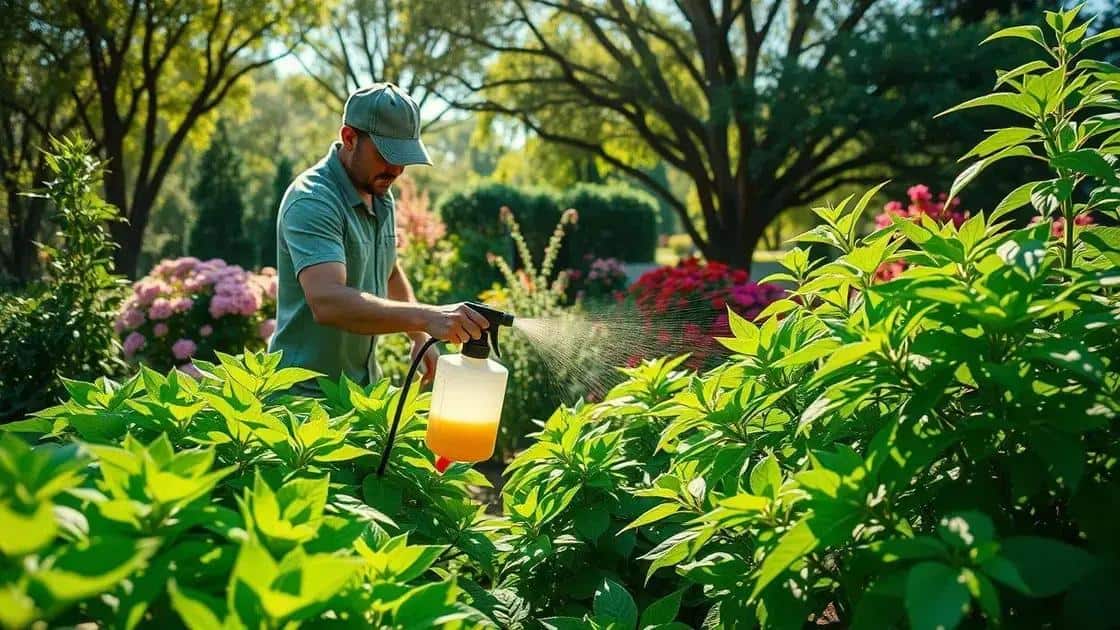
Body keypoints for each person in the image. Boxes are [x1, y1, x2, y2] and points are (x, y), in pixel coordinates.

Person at [269, 83, 487, 394]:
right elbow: (327, 301)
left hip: (361, 390)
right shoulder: (313, 200)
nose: (397, 169)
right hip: (304, 398)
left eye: (404, 157)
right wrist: (426, 317)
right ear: (349, 138)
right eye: (386, 154)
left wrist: (418, 336)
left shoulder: (380, 195)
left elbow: (390, 270)